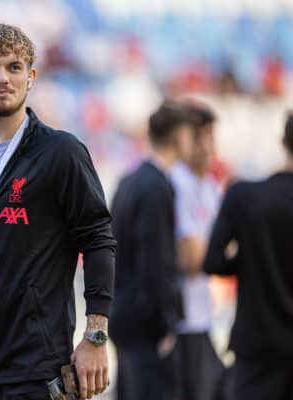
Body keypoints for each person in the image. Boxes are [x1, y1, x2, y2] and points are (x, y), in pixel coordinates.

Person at [0, 23, 116, 400]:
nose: (2, 78)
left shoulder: (60, 153)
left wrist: (95, 336)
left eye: (14, 67)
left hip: (34, 372)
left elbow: (99, 240)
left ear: (31, 77)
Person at [202, 113, 293, 400]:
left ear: (283, 142)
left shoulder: (244, 196)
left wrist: (249, 261)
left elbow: (212, 262)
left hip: (257, 347)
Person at [109, 101, 194, 400]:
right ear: (180, 136)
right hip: (145, 323)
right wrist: (164, 323)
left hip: (121, 313)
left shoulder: (128, 180)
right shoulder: (157, 187)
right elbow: (156, 261)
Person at [169, 101, 224, 400]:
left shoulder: (212, 186)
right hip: (181, 321)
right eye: (198, 137)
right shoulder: (176, 183)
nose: (206, 146)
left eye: (210, 136)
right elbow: (190, 258)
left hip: (204, 315)